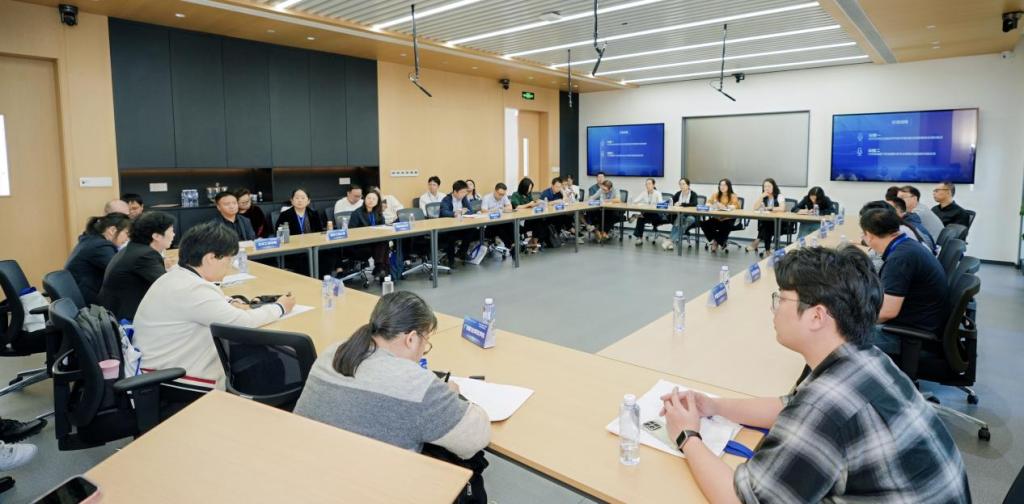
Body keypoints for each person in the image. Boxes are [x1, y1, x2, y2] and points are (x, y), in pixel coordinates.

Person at [660, 245, 968, 502]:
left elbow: (741, 500)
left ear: (817, 316)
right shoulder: (865, 358)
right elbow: (788, 405)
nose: (773, 309)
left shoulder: (827, 404)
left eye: (781, 299)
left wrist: (687, 435)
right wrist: (713, 406)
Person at [294, 291, 490, 464]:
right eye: (425, 345)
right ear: (411, 339)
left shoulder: (332, 353)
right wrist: (451, 394)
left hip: (306, 467)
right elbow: (476, 438)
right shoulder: (417, 386)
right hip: (374, 484)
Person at [133, 222, 296, 403]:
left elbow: (205, 303)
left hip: (162, 366)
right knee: (267, 361)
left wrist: (230, 301)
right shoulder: (193, 290)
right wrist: (280, 307)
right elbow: (243, 323)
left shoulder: (177, 275)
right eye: (228, 260)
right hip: (179, 381)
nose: (230, 266)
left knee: (256, 356)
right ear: (211, 258)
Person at [860, 204, 948, 352]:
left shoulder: (900, 259)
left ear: (868, 235)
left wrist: (853, 321)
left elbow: (887, 312)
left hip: (909, 335)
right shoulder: (907, 246)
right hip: (922, 323)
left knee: (837, 335)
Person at [98, 211, 175, 320]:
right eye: (171, 231)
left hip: (116, 313)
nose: (173, 235)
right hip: (125, 321)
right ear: (156, 236)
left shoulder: (134, 249)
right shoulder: (145, 255)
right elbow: (169, 286)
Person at [65, 213, 131, 305]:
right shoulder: (100, 246)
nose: (128, 238)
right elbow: (119, 271)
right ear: (112, 230)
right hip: (87, 301)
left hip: (79, 295)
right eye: (127, 233)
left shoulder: (91, 240)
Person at [348, 189, 391, 282]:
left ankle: (380, 269)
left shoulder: (378, 213)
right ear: (364, 199)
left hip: (374, 242)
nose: (371, 200)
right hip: (361, 244)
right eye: (369, 198)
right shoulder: (357, 213)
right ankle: (381, 269)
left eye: (374, 199)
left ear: (377, 202)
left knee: (384, 241)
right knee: (383, 244)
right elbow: (351, 232)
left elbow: (383, 227)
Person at [439, 180, 477, 266]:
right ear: (455, 192)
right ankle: (451, 260)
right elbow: (444, 212)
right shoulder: (447, 199)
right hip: (447, 228)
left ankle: (462, 252)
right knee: (450, 237)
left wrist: (463, 212)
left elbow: (470, 211)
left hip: (459, 226)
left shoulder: (463, 198)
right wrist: (455, 213)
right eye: (462, 192)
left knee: (472, 230)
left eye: (465, 192)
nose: (464, 194)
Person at [699, 178, 740, 253]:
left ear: (728, 186)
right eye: (721, 185)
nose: (722, 187)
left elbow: (736, 206)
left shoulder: (733, 195)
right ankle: (718, 240)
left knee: (726, 226)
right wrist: (712, 205)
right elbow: (708, 203)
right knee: (703, 224)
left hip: (728, 218)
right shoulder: (715, 194)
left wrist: (726, 207)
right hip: (717, 218)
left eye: (724, 185)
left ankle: (715, 242)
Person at [747, 178, 785, 255]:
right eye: (765, 186)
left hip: (778, 223)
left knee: (766, 225)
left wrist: (770, 208)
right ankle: (767, 250)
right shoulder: (764, 197)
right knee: (766, 225)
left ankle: (757, 241)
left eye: (769, 186)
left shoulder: (779, 196)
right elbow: (755, 208)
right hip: (766, 222)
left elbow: (782, 208)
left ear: (773, 187)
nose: (767, 188)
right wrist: (761, 197)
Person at [510, 177, 546, 252]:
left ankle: (535, 242)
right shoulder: (516, 195)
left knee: (540, 220)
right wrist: (529, 204)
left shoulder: (528, 194)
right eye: (528, 188)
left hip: (529, 217)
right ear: (523, 187)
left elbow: (531, 204)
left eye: (531, 188)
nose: (529, 190)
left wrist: (536, 203)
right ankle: (533, 242)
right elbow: (517, 207)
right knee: (537, 222)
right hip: (521, 220)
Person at [630, 178, 668, 247]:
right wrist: (641, 204)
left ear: (653, 185)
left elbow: (660, 204)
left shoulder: (657, 193)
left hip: (656, 215)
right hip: (647, 214)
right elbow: (635, 201)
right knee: (641, 219)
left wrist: (652, 206)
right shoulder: (644, 192)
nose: (647, 185)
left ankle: (637, 216)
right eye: (646, 184)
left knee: (642, 216)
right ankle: (639, 238)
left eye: (649, 184)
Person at [481, 182, 516, 255]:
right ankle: (511, 246)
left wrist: (502, 209)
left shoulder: (503, 196)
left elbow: (510, 207)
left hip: (500, 221)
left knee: (510, 224)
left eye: (503, 194)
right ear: (495, 191)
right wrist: (495, 210)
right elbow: (483, 211)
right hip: (489, 225)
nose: (501, 196)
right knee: (500, 228)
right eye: (499, 194)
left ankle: (513, 244)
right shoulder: (487, 197)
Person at [666, 177, 699, 251]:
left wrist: (681, 204)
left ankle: (671, 241)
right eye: (680, 184)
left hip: (691, 216)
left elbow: (694, 204)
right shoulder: (678, 193)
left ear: (688, 185)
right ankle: (671, 242)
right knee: (678, 221)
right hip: (681, 215)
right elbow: (671, 201)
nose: (681, 186)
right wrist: (673, 203)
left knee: (687, 220)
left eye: (683, 184)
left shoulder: (693, 194)